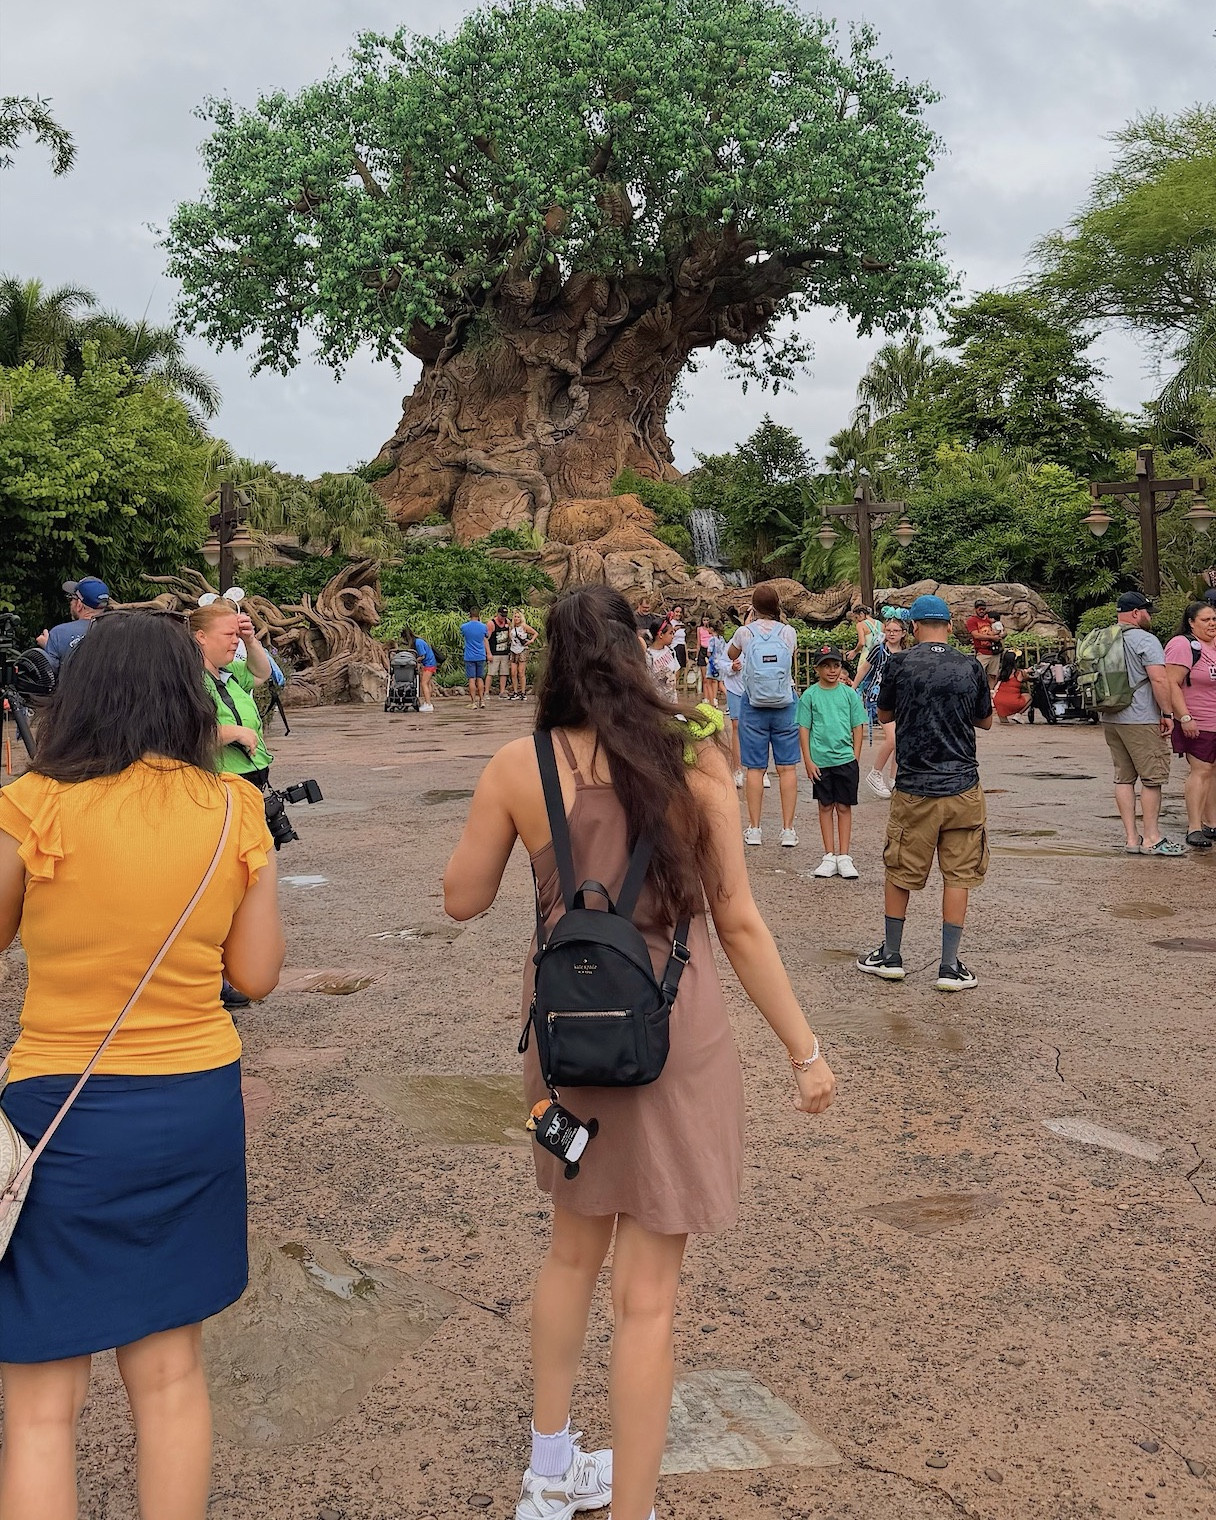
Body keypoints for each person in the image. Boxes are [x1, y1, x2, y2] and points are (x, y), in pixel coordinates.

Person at [442, 584, 835, 1520]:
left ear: (548, 660)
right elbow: (737, 919)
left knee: (570, 1255)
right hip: (674, 1037)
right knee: (649, 1296)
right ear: (640, 653)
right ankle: (634, 1509)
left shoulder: (517, 763)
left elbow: (459, 899)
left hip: (563, 1041)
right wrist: (804, 1050)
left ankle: (548, 1475)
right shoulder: (694, 757)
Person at [0, 609, 284, 1520]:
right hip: (192, 1104)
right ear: (186, 698)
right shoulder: (235, 808)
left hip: (57, 1110)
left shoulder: (33, 802)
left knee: (41, 1405)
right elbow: (257, 975)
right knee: (168, 1377)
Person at [856, 594, 993, 993]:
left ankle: (891, 955)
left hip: (915, 786)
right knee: (959, 875)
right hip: (963, 786)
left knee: (901, 869)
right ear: (949, 627)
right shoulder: (969, 665)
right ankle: (949, 966)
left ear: (914, 628)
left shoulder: (900, 664)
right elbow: (984, 721)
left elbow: (883, 716)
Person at [1101, 592, 1185, 856]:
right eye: (1147, 612)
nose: (1149, 617)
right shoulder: (1145, 640)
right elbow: (1159, 680)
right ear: (1136, 613)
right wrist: (1168, 714)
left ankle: (1131, 839)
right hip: (1141, 717)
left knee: (1123, 778)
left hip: (1111, 716)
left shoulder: (1102, 637)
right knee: (1152, 778)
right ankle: (1152, 837)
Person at [727, 584, 799, 847]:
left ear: (754, 607)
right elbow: (788, 657)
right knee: (787, 768)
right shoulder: (789, 632)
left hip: (754, 705)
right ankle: (788, 830)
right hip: (785, 703)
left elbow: (731, 654)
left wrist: (748, 623)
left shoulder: (744, 632)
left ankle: (755, 829)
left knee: (755, 769)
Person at [797, 645, 866, 879]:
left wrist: (855, 756)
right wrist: (808, 759)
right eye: (826, 666)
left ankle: (844, 856)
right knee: (825, 805)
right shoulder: (810, 696)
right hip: (821, 760)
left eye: (836, 665)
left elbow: (858, 725)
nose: (832, 670)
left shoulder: (849, 694)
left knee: (844, 806)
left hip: (845, 758)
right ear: (817, 669)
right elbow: (804, 728)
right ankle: (829, 854)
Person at [189, 603, 274, 789]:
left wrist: (250, 640)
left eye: (237, 635)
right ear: (201, 637)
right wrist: (231, 732)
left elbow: (262, 673)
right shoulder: (188, 681)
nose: (236, 641)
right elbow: (184, 735)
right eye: (229, 635)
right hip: (221, 781)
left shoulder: (229, 672)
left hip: (252, 775)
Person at [1164, 599, 1216, 849]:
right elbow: (1171, 683)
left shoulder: (1214, 646)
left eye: (1214, 619)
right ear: (1191, 622)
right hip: (1197, 720)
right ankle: (1194, 827)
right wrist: (1184, 717)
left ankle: (1211, 823)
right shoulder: (1182, 645)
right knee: (1201, 770)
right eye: (1205, 620)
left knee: (1213, 772)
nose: (1212, 624)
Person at [853, 615, 908, 798]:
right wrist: (853, 689)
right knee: (892, 738)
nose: (891, 634)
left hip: (900, 698)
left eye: (895, 631)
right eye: (889, 630)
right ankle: (875, 772)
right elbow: (864, 669)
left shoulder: (907, 652)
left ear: (903, 633)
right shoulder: (879, 649)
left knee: (901, 739)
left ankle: (894, 778)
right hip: (878, 697)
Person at [35, 577, 110, 672]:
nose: (70, 603)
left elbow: (49, 676)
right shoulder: (118, 632)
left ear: (79, 605)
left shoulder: (59, 634)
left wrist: (49, 647)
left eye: (72, 598)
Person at [965, 599, 1005, 692]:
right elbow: (976, 635)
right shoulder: (972, 620)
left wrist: (1001, 635)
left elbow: (1002, 629)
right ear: (975, 609)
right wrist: (991, 638)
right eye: (979, 609)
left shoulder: (990, 619)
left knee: (993, 674)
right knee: (978, 674)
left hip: (994, 651)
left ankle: (991, 692)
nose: (982, 610)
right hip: (982, 651)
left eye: (983, 608)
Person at [460, 608, 492, 709]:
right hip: (481, 655)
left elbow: (463, 636)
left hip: (469, 656)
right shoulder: (483, 627)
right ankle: (482, 700)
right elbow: (486, 637)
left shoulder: (464, 627)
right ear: (479, 615)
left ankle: (473, 702)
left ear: (469, 615)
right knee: (480, 678)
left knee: (471, 679)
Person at [403, 625, 438, 711]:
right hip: (430, 663)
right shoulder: (419, 641)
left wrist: (414, 660)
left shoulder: (418, 643)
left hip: (429, 664)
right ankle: (427, 702)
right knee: (428, 684)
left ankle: (429, 704)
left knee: (424, 683)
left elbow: (422, 655)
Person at [645, 618, 680, 703]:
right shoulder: (648, 656)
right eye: (670, 633)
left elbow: (677, 669)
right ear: (661, 634)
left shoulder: (671, 651)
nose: (673, 636)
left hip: (672, 699)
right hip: (657, 701)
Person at [509, 610, 540, 701]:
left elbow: (535, 633)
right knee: (513, 672)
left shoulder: (524, 626)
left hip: (522, 650)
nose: (516, 618)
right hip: (513, 650)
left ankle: (523, 692)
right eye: (515, 617)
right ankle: (515, 692)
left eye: (518, 617)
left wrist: (531, 641)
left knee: (521, 672)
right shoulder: (511, 627)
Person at [848, 605, 883, 677]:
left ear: (861, 614)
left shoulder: (860, 625)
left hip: (867, 655)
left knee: (862, 677)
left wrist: (854, 652)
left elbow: (862, 643)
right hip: (880, 655)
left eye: (856, 617)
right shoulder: (882, 625)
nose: (856, 620)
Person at [489, 607, 515, 700]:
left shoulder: (507, 622)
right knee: (491, 673)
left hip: (504, 651)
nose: (503, 618)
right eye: (501, 616)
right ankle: (486, 692)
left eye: (504, 616)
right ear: (498, 614)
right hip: (494, 652)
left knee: (504, 672)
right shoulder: (491, 623)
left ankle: (502, 691)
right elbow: (486, 639)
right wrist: (488, 653)